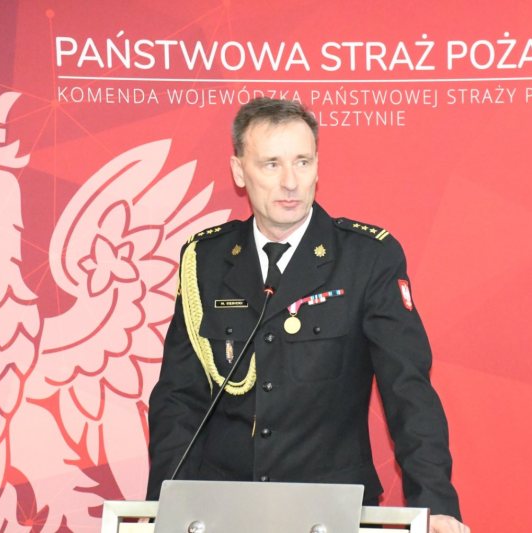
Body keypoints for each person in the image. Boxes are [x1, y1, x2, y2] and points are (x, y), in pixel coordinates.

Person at [146, 98, 469, 533]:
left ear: (318, 167)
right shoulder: (205, 260)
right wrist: (166, 509)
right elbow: (178, 398)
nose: (290, 182)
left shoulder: (366, 258)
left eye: (302, 162)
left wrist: (435, 505)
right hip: (222, 508)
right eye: (271, 164)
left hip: (331, 509)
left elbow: (407, 389)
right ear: (239, 171)